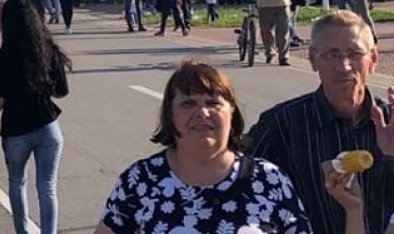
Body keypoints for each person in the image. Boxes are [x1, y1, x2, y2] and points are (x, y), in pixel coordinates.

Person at [95, 61, 310, 233]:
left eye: (213, 103)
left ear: (231, 111)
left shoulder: (270, 180)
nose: (202, 113)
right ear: (170, 114)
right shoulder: (140, 181)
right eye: (188, 104)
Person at [248, 10, 394, 234]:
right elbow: (242, 183)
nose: (344, 66)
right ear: (313, 59)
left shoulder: (390, 121)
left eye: (354, 54)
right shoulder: (284, 123)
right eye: (332, 55)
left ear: (373, 60)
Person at [0, 0, 70, 234]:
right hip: (47, 125)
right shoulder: (47, 50)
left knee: (17, 182)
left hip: (16, 129)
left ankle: (23, 231)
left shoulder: (3, 57)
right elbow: (62, 91)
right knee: (47, 187)